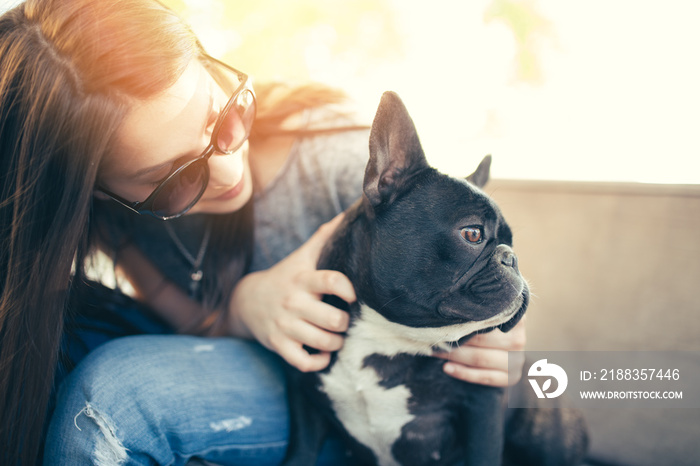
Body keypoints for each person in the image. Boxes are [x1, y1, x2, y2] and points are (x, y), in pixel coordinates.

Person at [0, 0, 527, 464]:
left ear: (212, 65)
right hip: (275, 380)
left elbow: (475, 282)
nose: (229, 171)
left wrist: (501, 337)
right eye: (176, 178)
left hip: (370, 406)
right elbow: (184, 318)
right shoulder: (118, 221)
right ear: (95, 193)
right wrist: (245, 306)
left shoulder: (336, 162)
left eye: (224, 116)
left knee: (113, 398)